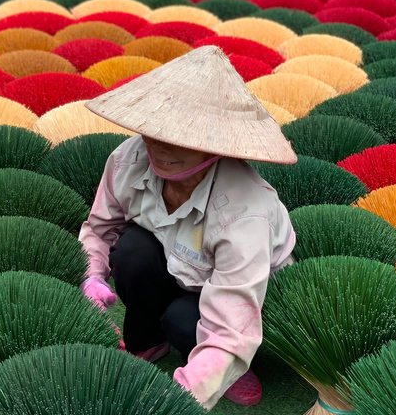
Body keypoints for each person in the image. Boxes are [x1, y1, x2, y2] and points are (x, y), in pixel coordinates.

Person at [79, 46, 297, 410]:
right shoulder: (127, 161)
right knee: (133, 251)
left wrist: (178, 398)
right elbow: (99, 229)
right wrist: (92, 275)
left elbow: (231, 325)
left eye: (181, 137)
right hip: (176, 265)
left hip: (244, 297)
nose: (161, 146)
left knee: (184, 320)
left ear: (215, 145)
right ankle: (148, 340)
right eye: (155, 130)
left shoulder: (245, 212)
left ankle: (230, 368)